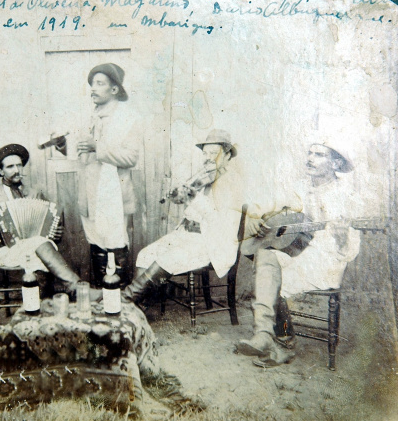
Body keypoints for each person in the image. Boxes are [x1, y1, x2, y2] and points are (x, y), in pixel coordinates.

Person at [236, 142, 362, 367]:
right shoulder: (300, 186)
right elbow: (268, 203)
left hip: (327, 258)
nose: (310, 158)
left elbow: (349, 250)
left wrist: (342, 237)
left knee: (272, 280)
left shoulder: (347, 196)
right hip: (298, 251)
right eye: (310, 152)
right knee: (264, 256)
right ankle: (264, 334)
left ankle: (284, 343)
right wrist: (254, 215)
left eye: (319, 154)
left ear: (335, 163)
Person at [122, 129, 261, 303]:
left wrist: (194, 197)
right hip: (186, 236)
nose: (208, 157)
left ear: (227, 155)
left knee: (167, 258)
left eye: (214, 153)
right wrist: (181, 198)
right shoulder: (207, 178)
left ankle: (127, 301)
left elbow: (218, 222)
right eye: (205, 153)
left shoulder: (232, 183)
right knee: (146, 254)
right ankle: (140, 305)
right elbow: (193, 212)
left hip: (212, 243)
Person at [0, 144, 97, 299]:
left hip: (35, 248)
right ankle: (75, 288)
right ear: (0, 171)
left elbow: (49, 225)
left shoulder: (34, 192)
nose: (17, 170)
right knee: (39, 244)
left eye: (19, 165)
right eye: (10, 167)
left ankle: (43, 300)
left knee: (38, 244)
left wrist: (54, 232)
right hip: (5, 249)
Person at [56, 63, 142, 287]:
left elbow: (131, 158)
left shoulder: (127, 118)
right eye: (92, 84)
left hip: (113, 192)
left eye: (100, 84)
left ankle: (120, 299)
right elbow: (81, 153)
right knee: (95, 242)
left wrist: (97, 147)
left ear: (115, 90)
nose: (93, 88)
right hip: (89, 192)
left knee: (114, 242)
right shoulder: (89, 117)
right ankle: (101, 298)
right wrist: (61, 146)